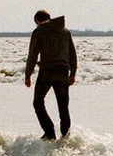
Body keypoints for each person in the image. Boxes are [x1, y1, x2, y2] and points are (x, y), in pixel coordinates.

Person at [24, 9, 77, 140]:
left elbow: (33, 54)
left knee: (38, 102)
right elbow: (73, 54)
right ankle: (65, 136)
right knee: (63, 105)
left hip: (47, 71)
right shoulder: (65, 32)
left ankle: (49, 133)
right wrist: (73, 74)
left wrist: (27, 75)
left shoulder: (39, 31)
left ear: (37, 21)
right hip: (64, 72)